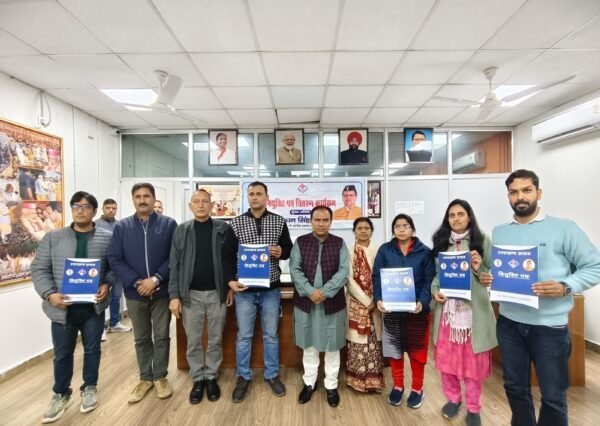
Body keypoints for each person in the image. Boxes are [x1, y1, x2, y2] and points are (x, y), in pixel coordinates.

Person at [492, 169, 600, 426]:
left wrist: (565, 286)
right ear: (508, 196)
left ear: (538, 193)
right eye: (514, 192)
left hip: (549, 327)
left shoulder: (564, 228)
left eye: (526, 190)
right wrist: (489, 277)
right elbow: (501, 271)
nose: (520, 196)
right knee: (515, 387)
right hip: (509, 323)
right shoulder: (500, 231)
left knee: (553, 396)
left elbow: (595, 266)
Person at [31, 191, 112, 423]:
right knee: (62, 354)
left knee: (92, 350)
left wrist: (107, 284)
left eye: (85, 207)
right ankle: (61, 394)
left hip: (93, 308)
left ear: (94, 211)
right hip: (62, 309)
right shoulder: (53, 238)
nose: (80, 210)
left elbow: (114, 267)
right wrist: (49, 294)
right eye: (76, 206)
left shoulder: (107, 238)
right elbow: (39, 269)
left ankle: (90, 388)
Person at [107, 183, 177, 404]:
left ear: (154, 199)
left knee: (162, 336)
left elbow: (174, 256)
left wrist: (155, 278)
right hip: (135, 292)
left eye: (147, 196)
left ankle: (161, 377)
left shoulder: (168, 224)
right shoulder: (122, 227)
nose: (142, 200)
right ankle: (146, 378)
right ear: (133, 200)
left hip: (161, 291)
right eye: (138, 196)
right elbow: (115, 258)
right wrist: (137, 282)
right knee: (141, 338)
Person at [223, 181, 293, 403]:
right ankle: (243, 376)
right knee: (244, 336)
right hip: (244, 290)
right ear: (248, 197)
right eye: (251, 194)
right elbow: (227, 255)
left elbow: (288, 249)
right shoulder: (235, 223)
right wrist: (230, 281)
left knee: (271, 335)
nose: (254, 197)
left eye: (259, 194)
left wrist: (281, 251)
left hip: (270, 289)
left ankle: (272, 375)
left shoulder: (279, 221)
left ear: (266, 197)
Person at [431, 199, 497, 426]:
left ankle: (473, 407)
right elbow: (437, 277)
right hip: (447, 314)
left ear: (469, 217)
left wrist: (479, 268)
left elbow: (492, 276)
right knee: (447, 362)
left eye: (460, 214)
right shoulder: (441, 242)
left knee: (473, 365)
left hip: (473, 314)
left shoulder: (482, 240)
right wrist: (435, 292)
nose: (456, 218)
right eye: (452, 215)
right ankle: (453, 399)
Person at [169, 189, 233, 405]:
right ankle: (198, 378)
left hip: (216, 294)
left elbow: (229, 260)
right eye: (196, 201)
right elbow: (174, 265)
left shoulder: (223, 229)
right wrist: (174, 296)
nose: (201, 205)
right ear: (190, 206)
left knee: (215, 338)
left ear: (212, 205)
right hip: (190, 295)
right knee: (193, 340)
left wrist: (229, 287)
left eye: (205, 201)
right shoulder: (182, 230)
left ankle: (211, 376)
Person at [372, 214, 435, 409]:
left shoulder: (424, 252)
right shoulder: (385, 250)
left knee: (417, 353)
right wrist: (378, 299)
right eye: (397, 226)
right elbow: (377, 277)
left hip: (417, 311)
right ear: (393, 230)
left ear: (412, 229)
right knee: (395, 350)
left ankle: (417, 389)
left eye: (405, 225)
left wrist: (422, 302)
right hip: (392, 311)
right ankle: (398, 386)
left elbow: (429, 280)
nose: (401, 229)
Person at [290, 206, 349, 407]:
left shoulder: (339, 243)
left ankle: (331, 385)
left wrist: (323, 292)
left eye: (325, 220)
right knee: (309, 344)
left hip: (332, 303)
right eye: (317, 220)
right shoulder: (300, 242)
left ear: (331, 221)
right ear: (311, 221)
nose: (321, 223)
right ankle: (310, 383)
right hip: (306, 303)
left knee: (332, 346)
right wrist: (310, 291)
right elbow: (294, 270)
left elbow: (344, 271)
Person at [345, 217, 384, 393]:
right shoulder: (348, 250)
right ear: (354, 231)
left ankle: (374, 382)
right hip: (356, 303)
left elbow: (382, 275)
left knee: (373, 342)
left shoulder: (378, 250)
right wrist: (366, 300)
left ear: (371, 231)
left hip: (376, 304)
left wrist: (375, 299)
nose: (363, 231)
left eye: (366, 228)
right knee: (357, 342)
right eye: (359, 228)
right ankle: (357, 381)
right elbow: (349, 279)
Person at [95, 198, 131, 334]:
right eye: (108, 208)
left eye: (113, 208)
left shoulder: (120, 225)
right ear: (103, 209)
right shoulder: (95, 224)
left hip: (117, 267)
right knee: (99, 296)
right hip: (100, 267)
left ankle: (114, 323)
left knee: (116, 296)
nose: (111, 210)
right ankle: (99, 328)